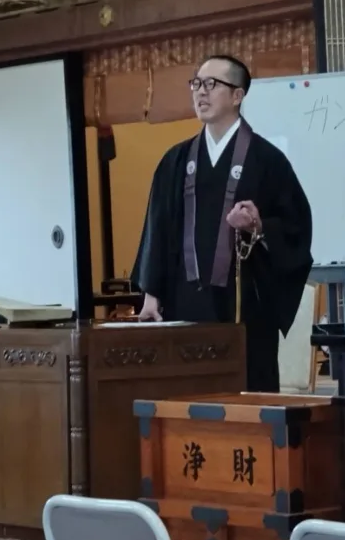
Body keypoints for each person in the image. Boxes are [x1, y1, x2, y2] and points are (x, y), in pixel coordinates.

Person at [133, 55, 313, 392]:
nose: (201, 92)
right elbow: (157, 230)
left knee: (246, 398)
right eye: (196, 84)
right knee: (187, 397)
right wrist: (151, 296)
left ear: (237, 95)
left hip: (245, 308)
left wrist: (258, 226)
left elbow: (295, 228)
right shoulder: (175, 161)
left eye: (212, 84)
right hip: (183, 305)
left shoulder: (268, 161)